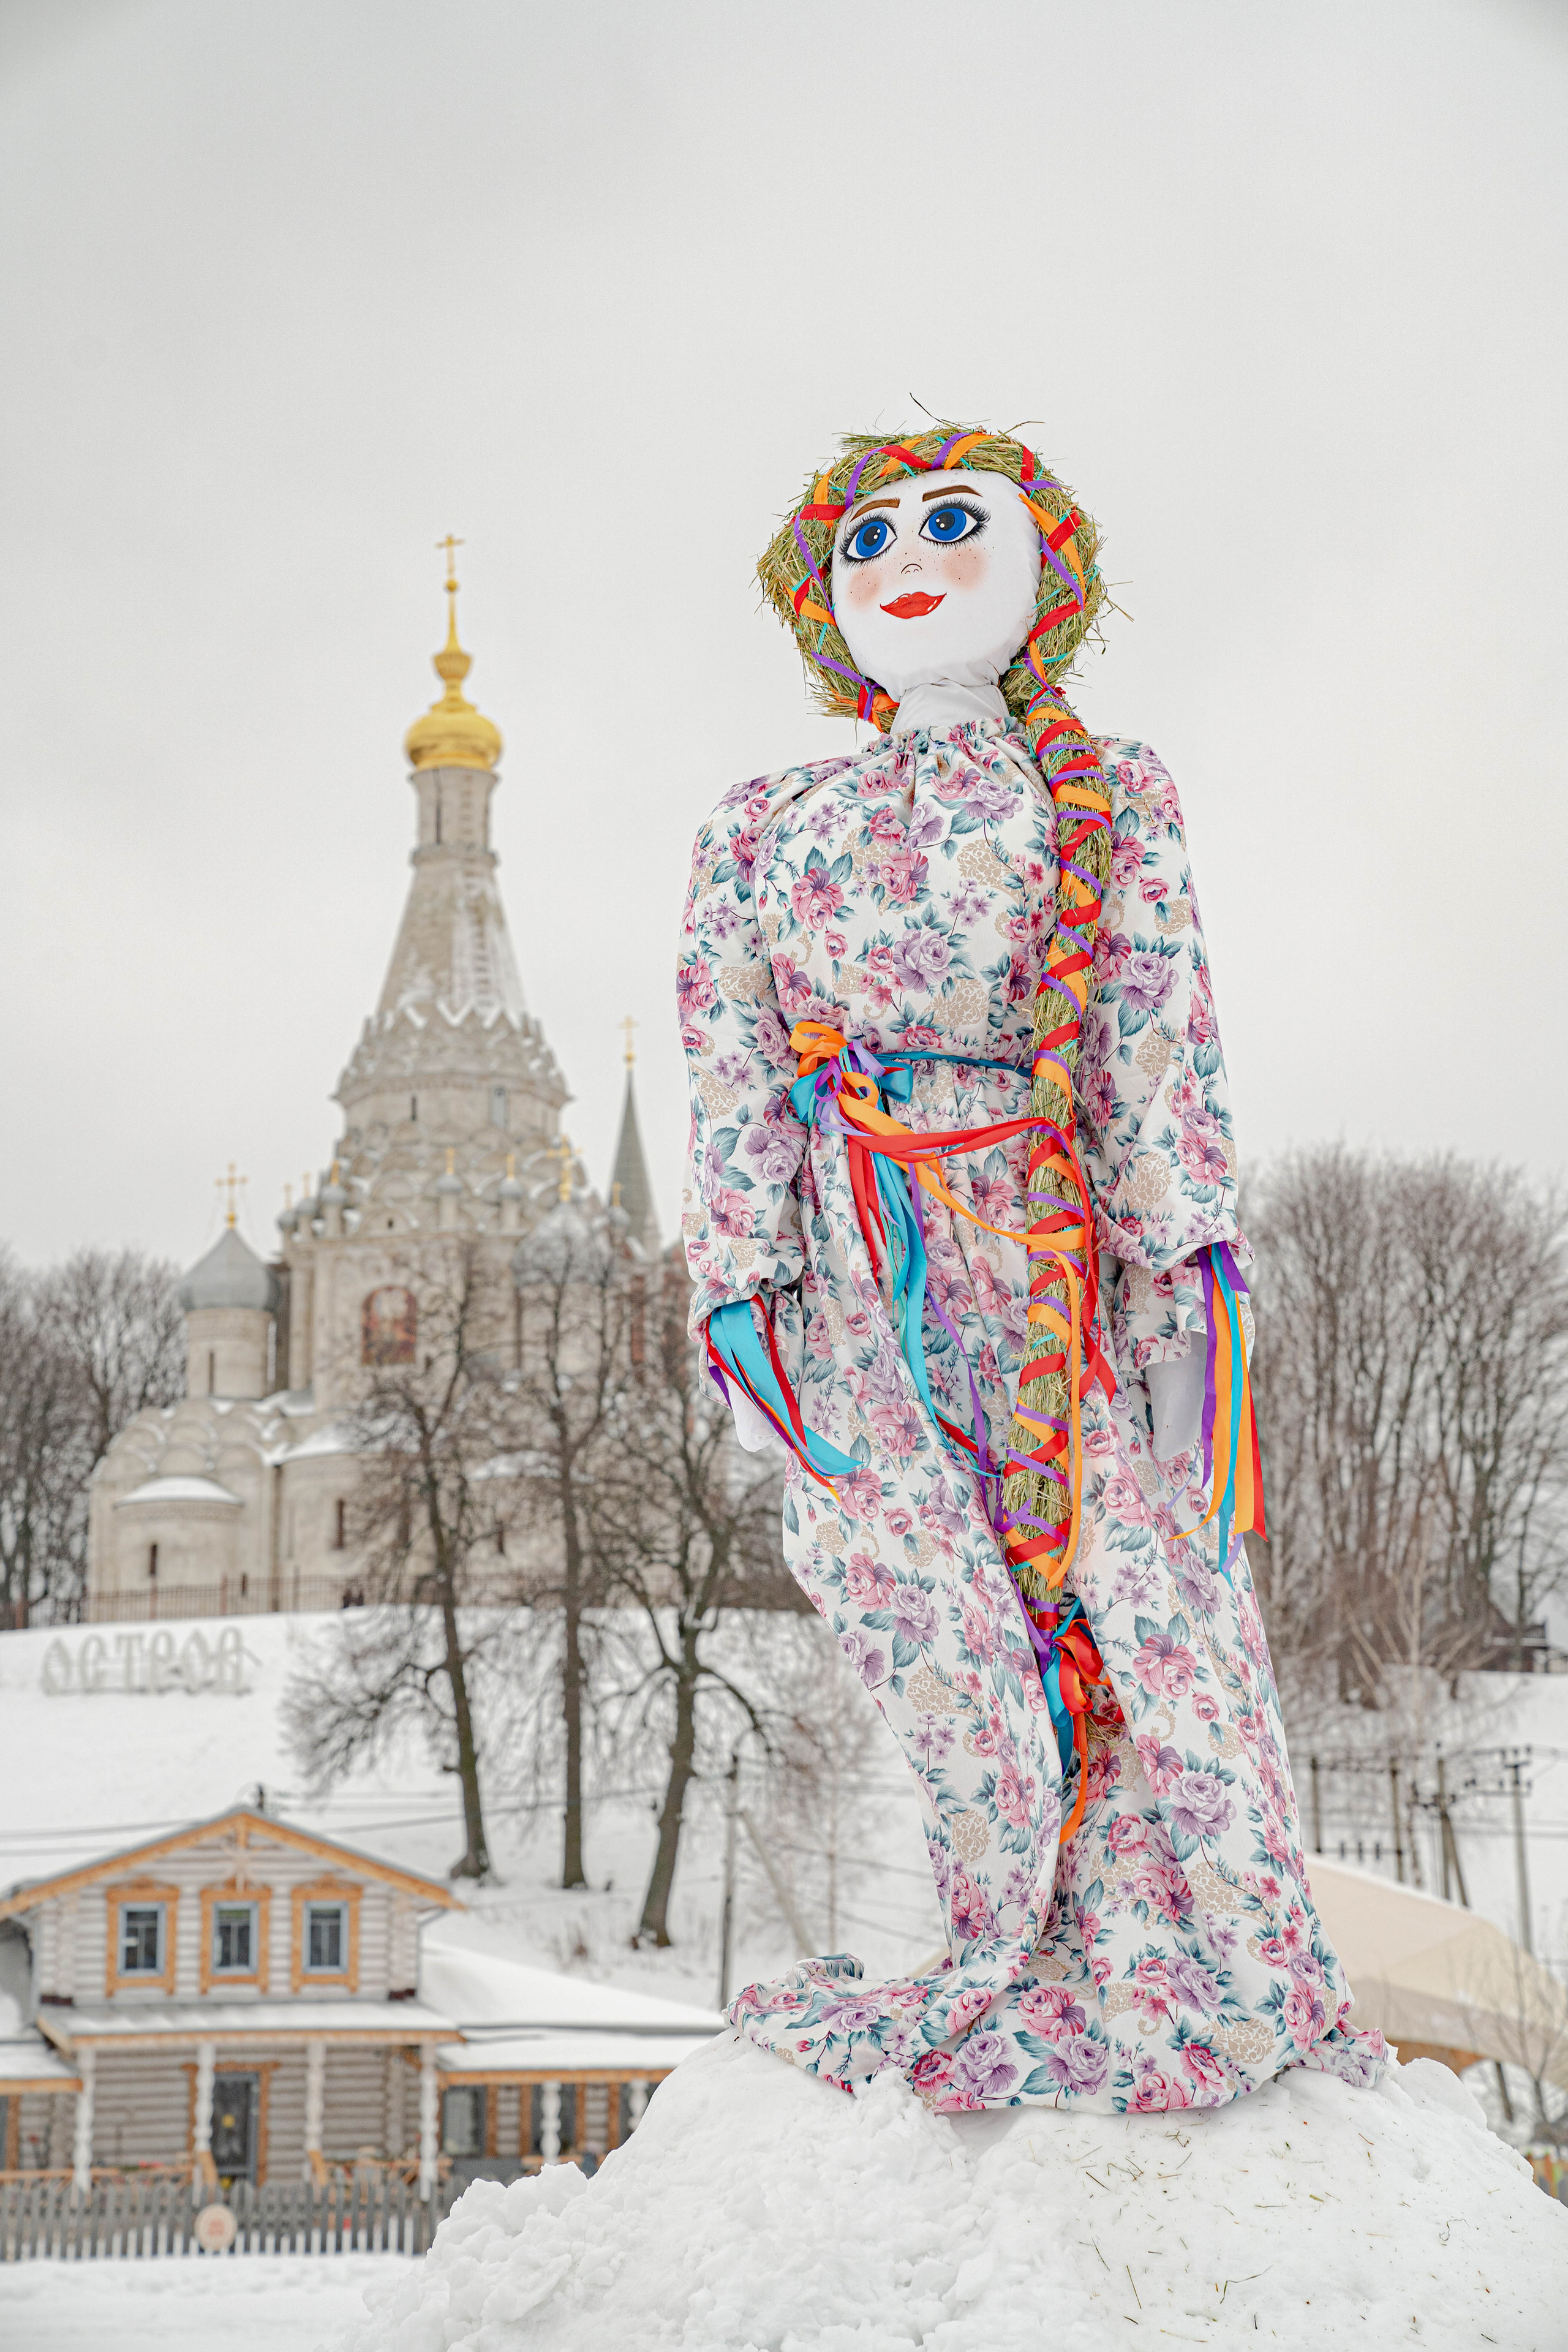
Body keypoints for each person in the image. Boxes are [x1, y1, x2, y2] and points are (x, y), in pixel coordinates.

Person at [677, 425, 1382, 2113]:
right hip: (861, 1277)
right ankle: (1011, 1924)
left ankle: (1187, 1933)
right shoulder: (762, 824)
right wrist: (739, 1286)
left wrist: (1191, 1273)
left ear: (1041, 569)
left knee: (1145, 1597)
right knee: (942, 1622)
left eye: (948, 525)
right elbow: (727, 1061)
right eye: (865, 540)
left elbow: (1156, 1031)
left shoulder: (1110, 790)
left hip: (1056, 1252)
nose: (904, 559)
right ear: (819, 600)